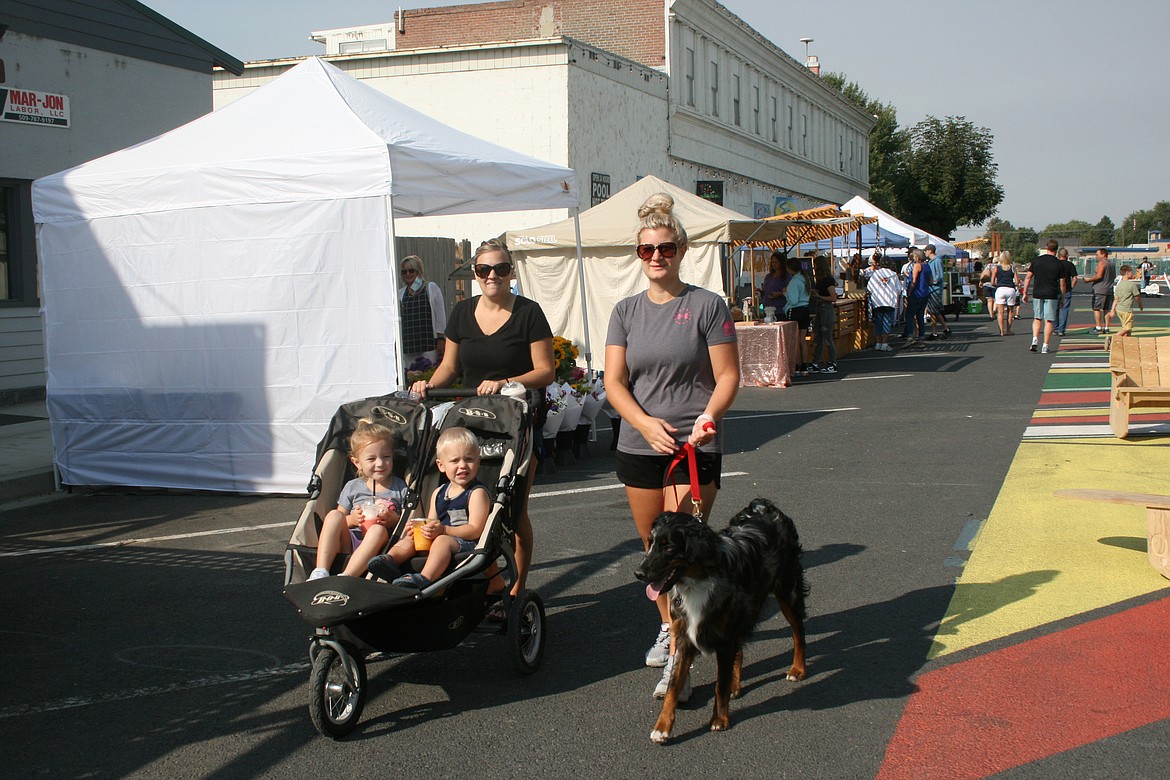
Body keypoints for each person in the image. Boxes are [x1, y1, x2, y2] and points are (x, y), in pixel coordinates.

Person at [603, 192, 739, 699]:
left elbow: (728, 376)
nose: (656, 257)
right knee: (655, 552)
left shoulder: (706, 305)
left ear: (681, 250)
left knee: (682, 555)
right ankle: (669, 626)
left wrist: (707, 418)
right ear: (638, 255)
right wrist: (643, 423)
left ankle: (679, 662)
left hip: (692, 446)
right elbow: (613, 382)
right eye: (646, 250)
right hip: (641, 446)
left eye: (664, 248)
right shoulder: (626, 311)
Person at [410, 238, 555, 599]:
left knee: (513, 508)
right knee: (471, 499)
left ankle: (515, 588)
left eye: (501, 269)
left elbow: (545, 371)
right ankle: (487, 579)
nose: (493, 276)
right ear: (475, 274)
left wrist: (507, 382)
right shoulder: (462, 313)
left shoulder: (529, 312)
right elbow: (449, 367)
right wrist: (426, 385)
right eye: (484, 270)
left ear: (511, 272)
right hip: (473, 421)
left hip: (515, 421)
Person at [367, 427, 491, 589]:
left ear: (478, 462)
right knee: (413, 537)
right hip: (443, 536)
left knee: (441, 540)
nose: (462, 466)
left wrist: (444, 530)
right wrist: (420, 528)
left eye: (469, 459)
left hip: (468, 544)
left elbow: (476, 530)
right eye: (454, 461)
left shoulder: (476, 493)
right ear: (441, 465)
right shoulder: (439, 492)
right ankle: (391, 560)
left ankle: (426, 577)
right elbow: (431, 521)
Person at [308, 418, 408, 581]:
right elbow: (341, 520)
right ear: (357, 462)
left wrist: (394, 519)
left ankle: (347, 577)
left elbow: (405, 525)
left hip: (380, 544)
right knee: (333, 515)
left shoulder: (400, 487)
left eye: (386, 457)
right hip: (351, 541)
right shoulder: (353, 487)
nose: (380, 463)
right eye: (371, 459)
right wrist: (353, 519)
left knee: (377, 530)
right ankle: (320, 570)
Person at [398, 255, 447, 369]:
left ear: (418, 271)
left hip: (428, 343)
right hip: (409, 345)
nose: (408, 274)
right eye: (404, 272)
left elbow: (440, 316)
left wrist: (441, 339)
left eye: (411, 271)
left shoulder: (431, 288)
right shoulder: (400, 294)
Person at [1020, 239, 1067, 354]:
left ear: (1047, 248)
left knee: (1037, 318)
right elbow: (1062, 283)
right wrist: (1063, 297)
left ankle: (1035, 339)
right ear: (1056, 249)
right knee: (1049, 320)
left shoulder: (1037, 261)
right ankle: (1045, 345)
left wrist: (1025, 292)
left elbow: (1028, 277)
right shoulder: (1059, 264)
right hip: (1051, 293)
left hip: (1038, 293)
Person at [809, 255, 839, 373]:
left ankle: (833, 363)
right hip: (819, 309)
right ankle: (815, 362)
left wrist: (819, 296)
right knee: (819, 338)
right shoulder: (820, 280)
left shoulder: (828, 280)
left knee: (827, 338)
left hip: (826, 309)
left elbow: (833, 297)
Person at [783, 256, 812, 374]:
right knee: (802, 339)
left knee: (794, 339)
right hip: (805, 309)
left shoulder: (794, 281)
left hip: (795, 310)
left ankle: (797, 363)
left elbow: (793, 300)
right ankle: (804, 364)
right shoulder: (805, 279)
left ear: (789, 269)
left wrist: (785, 293)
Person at [867, 257, 901, 351]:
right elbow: (899, 289)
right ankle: (885, 344)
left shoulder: (875, 274)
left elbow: (869, 288)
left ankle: (878, 343)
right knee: (886, 322)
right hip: (889, 302)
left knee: (878, 323)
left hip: (877, 301)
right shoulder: (893, 275)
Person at [1082, 247, 1116, 334]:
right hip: (1109, 289)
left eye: (1097, 254)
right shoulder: (1111, 264)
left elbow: (1099, 276)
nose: (1096, 256)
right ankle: (1107, 327)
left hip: (1100, 289)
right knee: (1106, 309)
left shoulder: (1102, 263)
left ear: (1103, 254)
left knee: (1096, 308)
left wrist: (1088, 280)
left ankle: (1098, 327)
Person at [902, 248, 931, 347]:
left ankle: (910, 336)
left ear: (917, 257)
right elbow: (931, 281)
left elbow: (913, 281)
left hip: (916, 294)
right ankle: (921, 339)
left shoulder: (917, 266)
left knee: (909, 315)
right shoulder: (927, 266)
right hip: (925, 293)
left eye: (914, 256)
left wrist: (909, 292)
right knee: (920, 316)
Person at [923, 245, 951, 340]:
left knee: (935, 311)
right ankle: (934, 332)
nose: (925, 252)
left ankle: (946, 328)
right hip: (931, 289)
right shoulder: (931, 262)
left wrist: (931, 282)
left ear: (930, 251)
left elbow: (939, 276)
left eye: (926, 251)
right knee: (932, 312)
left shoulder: (937, 261)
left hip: (935, 289)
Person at [1109, 265, 1144, 338]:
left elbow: (1116, 299)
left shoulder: (1119, 285)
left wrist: (1112, 310)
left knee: (1126, 328)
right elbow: (1137, 297)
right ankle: (1113, 338)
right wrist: (1140, 305)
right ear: (1127, 273)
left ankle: (1127, 342)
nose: (1133, 274)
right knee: (1127, 328)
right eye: (1132, 272)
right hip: (1126, 309)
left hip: (1119, 309)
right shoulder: (1131, 285)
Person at [991, 251, 1020, 337]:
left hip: (1000, 289)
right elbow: (1017, 281)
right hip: (1010, 289)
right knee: (1010, 311)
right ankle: (1008, 330)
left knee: (1000, 312)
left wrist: (997, 285)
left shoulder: (996, 268)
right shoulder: (1012, 268)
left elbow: (992, 282)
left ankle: (1001, 331)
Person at [1054, 248, 1078, 336]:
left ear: (1058, 256)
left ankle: (1055, 328)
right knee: (1064, 310)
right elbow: (1075, 278)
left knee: (1054, 309)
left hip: (1055, 289)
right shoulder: (1070, 265)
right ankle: (1061, 329)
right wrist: (1071, 287)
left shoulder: (1055, 264)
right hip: (1067, 289)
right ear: (1067, 256)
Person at [760, 251, 790, 316]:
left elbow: (790, 292)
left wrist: (779, 294)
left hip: (780, 309)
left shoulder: (786, 276)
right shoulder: (768, 276)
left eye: (776, 262)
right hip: (767, 309)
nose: (774, 264)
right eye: (772, 262)